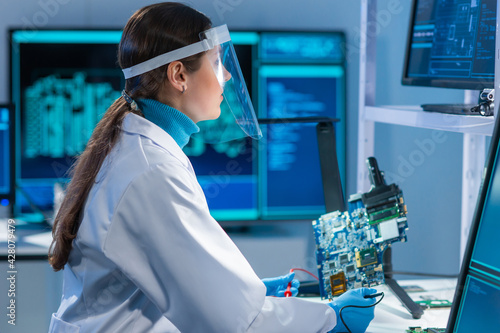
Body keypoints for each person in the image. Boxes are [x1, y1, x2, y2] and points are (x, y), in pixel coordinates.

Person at [48, 2, 377, 332]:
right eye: (217, 62)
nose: (228, 75)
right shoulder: (152, 172)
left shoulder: (135, 146)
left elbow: (166, 284)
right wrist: (332, 319)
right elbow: (234, 324)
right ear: (179, 75)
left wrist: (245, 294)